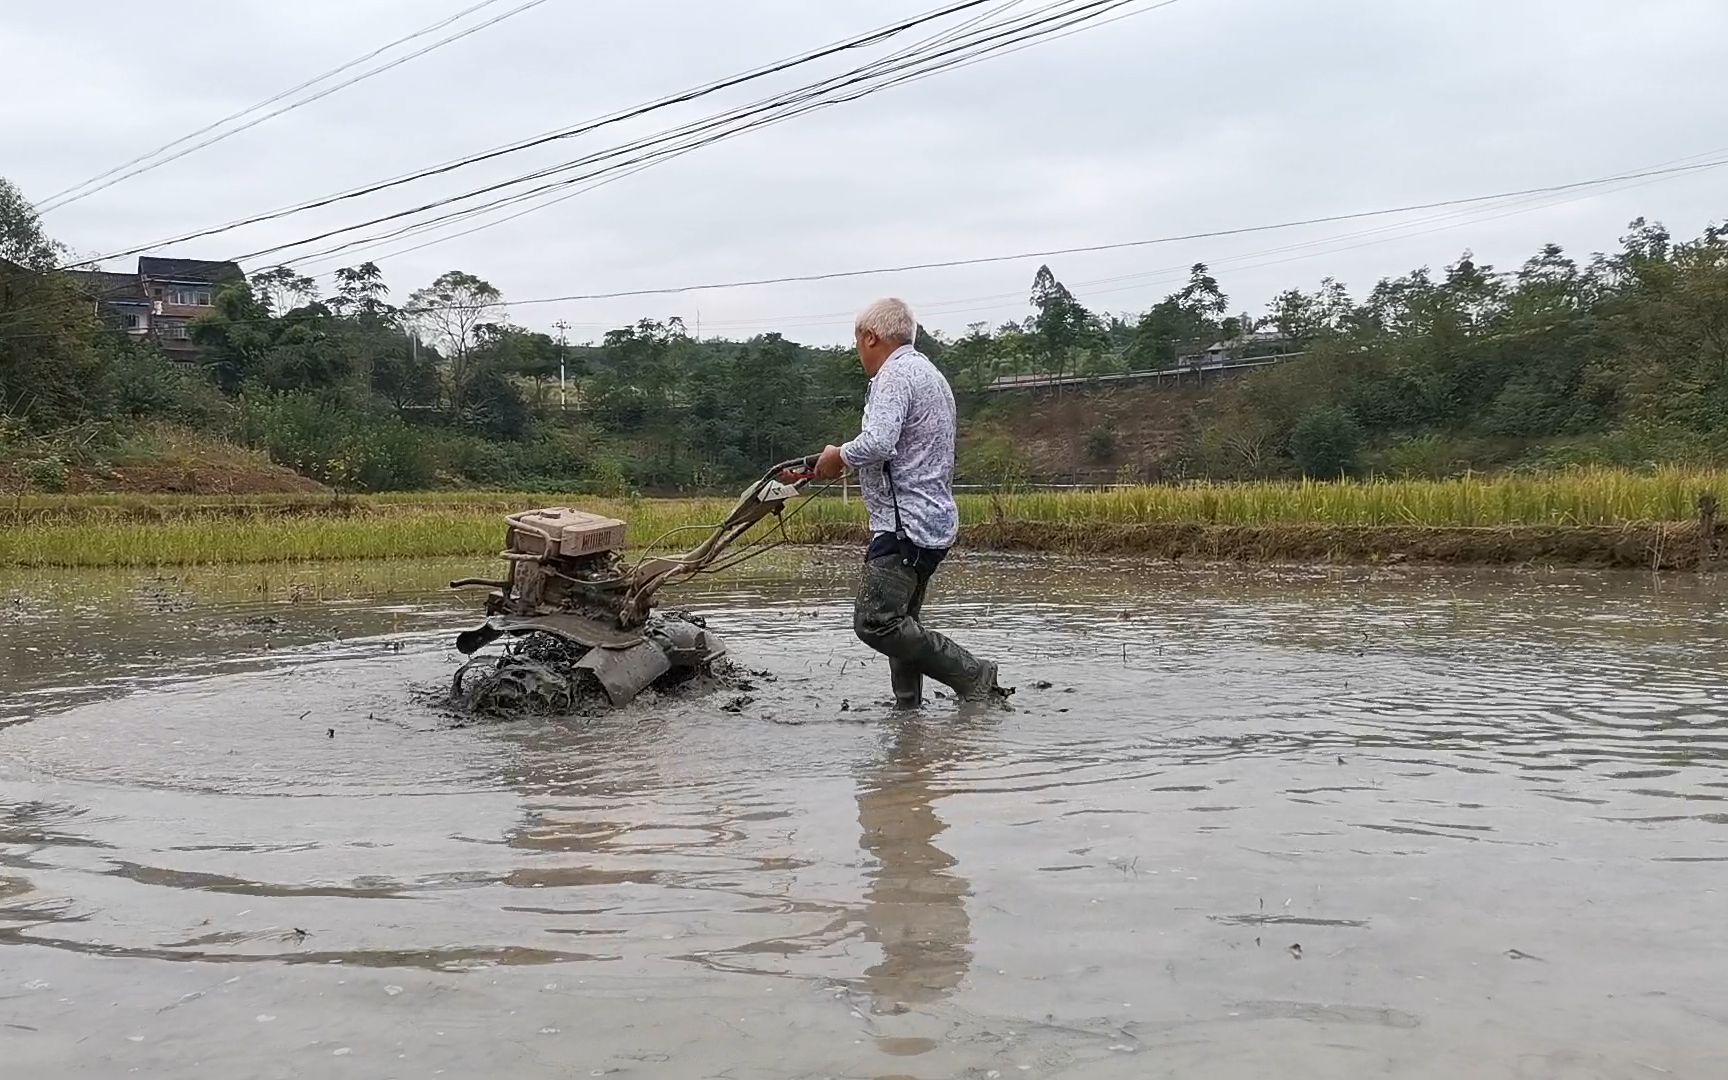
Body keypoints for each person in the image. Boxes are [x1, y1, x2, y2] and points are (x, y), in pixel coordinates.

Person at [810, 297, 1002, 706]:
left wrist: (838, 455)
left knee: (876, 622)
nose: (859, 353)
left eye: (858, 343)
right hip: (931, 522)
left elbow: (879, 441)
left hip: (903, 528)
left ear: (871, 337)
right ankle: (907, 712)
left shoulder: (893, 376)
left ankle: (973, 673)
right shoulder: (929, 374)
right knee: (903, 624)